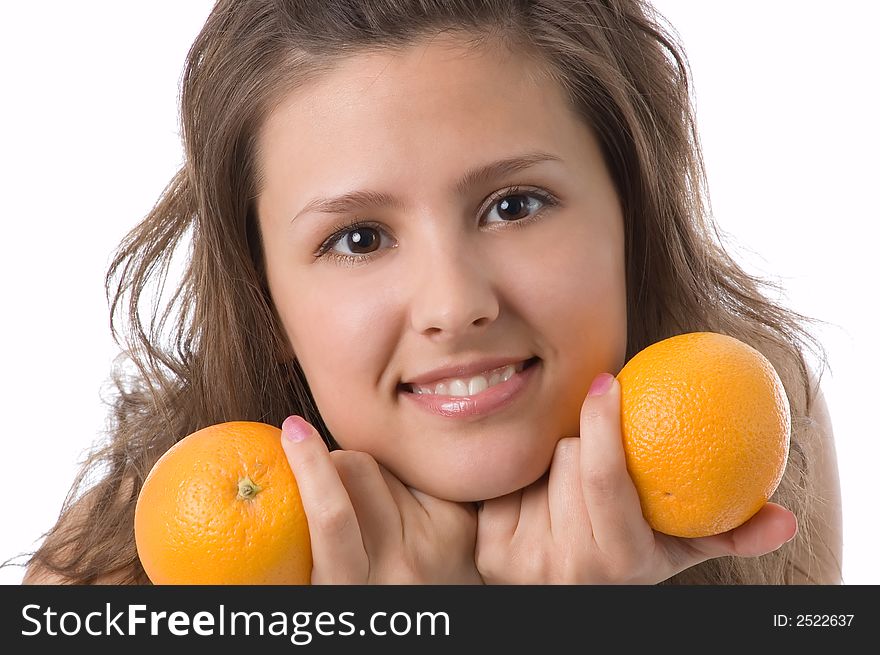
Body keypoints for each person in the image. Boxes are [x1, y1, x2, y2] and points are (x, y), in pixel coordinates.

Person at [22, 0, 841, 585]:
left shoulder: (753, 430)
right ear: (265, 302)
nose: (454, 305)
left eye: (513, 206)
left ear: (632, 217)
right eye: (359, 239)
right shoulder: (114, 576)